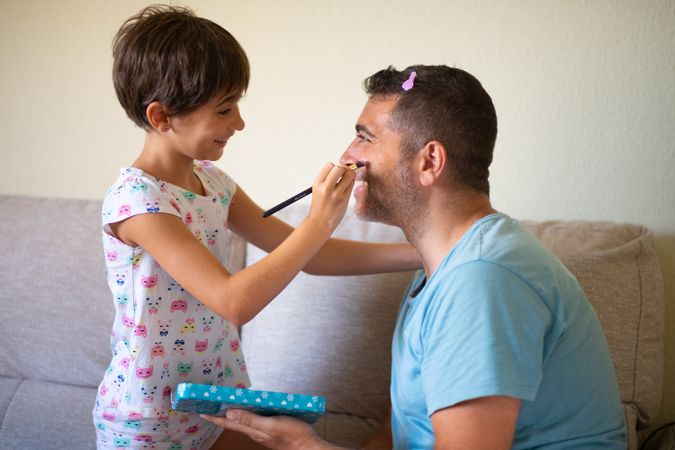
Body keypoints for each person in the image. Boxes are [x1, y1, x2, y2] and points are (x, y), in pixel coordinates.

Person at [201, 65, 627, 449]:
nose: (347, 157)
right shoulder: (440, 272)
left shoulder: (482, 281)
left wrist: (304, 447)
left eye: (364, 137)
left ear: (430, 162)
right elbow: (397, 435)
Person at [93, 6, 420, 450]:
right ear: (160, 116)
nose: (239, 123)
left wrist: (422, 252)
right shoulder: (137, 203)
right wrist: (319, 219)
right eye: (225, 109)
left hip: (216, 402)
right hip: (148, 420)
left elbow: (313, 256)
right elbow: (234, 302)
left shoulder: (213, 183)